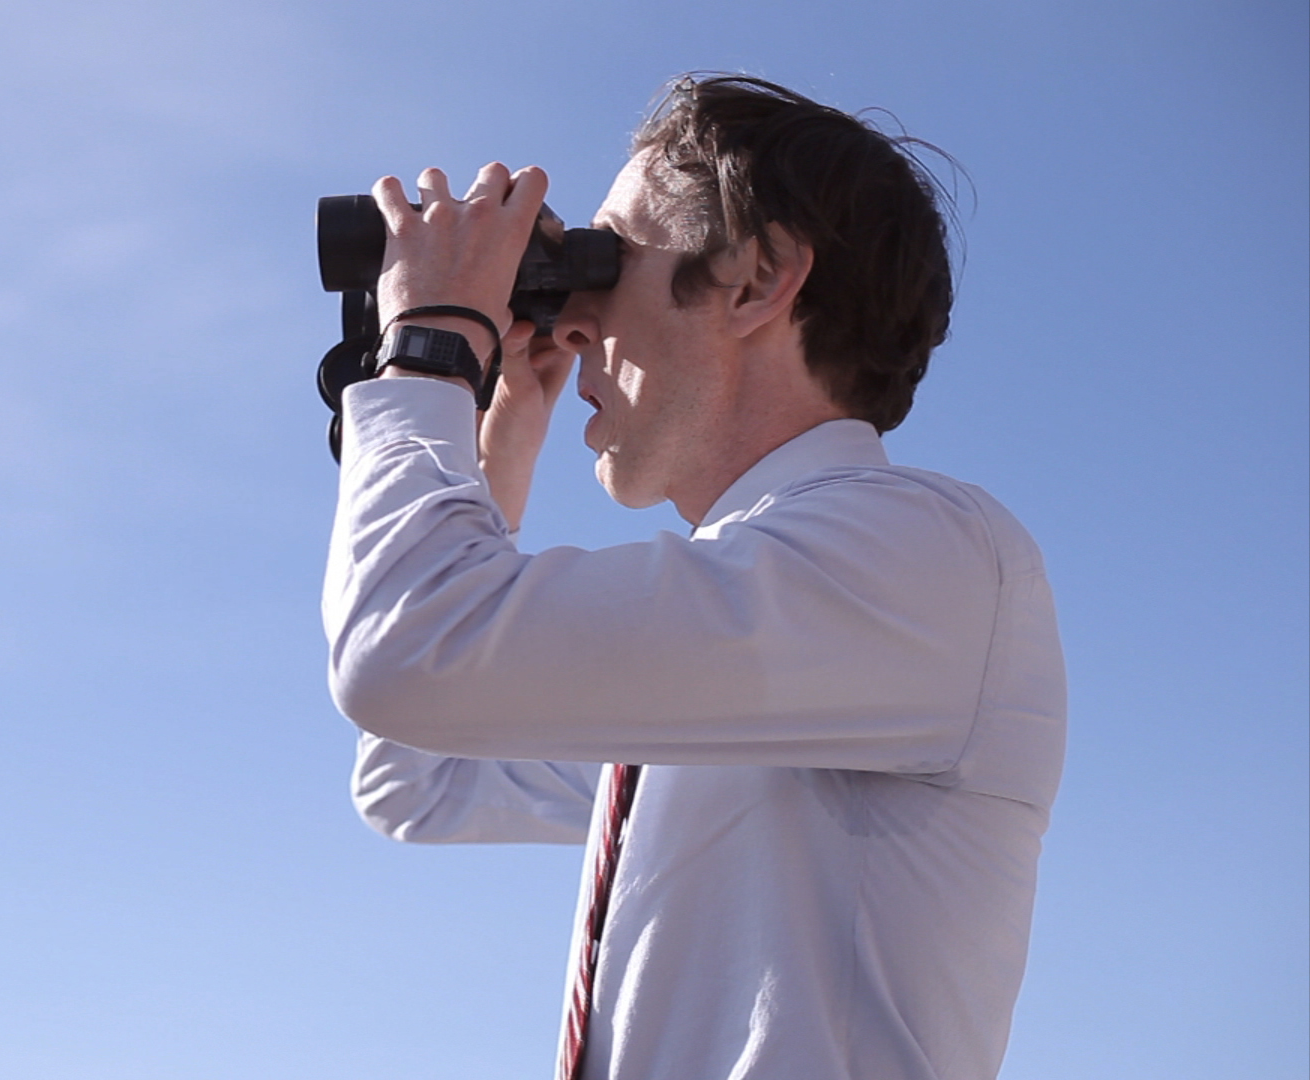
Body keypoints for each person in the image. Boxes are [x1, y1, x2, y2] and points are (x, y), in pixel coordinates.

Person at [321, 75, 1066, 1080]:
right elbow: (419, 774)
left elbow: (403, 661)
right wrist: (502, 440)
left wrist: (433, 346)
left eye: (608, 262)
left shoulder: (922, 556)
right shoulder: (774, 640)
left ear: (756, 282)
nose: (572, 322)